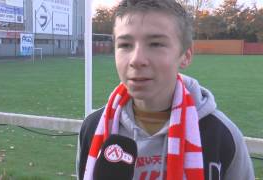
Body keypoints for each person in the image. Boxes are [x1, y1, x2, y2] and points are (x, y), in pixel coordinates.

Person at [76, 0, 255, 179]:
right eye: (125, 45)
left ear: (185, 55)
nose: (136, 59)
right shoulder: (93, 127)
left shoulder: (220, 134)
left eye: (155, 44)